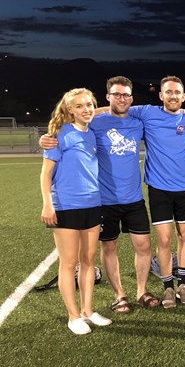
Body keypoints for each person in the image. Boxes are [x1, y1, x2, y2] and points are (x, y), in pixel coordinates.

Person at [39, 76, 158, 313]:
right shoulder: (95, 122)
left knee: (144, 246)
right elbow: (74, 119)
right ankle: (119, 295)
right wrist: (47, 137)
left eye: (126, 95)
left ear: (131, 98)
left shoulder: (138, 122)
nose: (121, 99)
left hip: (134, 198)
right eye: (116, 94)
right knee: (108, 247)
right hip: (104, 200)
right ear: (108, 96)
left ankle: (141, 291)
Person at [125, 76, 185, 308]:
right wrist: (75, 113)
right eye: (168, 92)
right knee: (164, 239)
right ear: (161, 95)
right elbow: (115, 109)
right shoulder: (147, 112)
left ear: (184, 96)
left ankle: (183, 284)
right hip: (159, 189)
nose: (173, 96)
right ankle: (168, 286)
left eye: (177, 92)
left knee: (184, 236)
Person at [40, 88, 112, 335]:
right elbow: (45, 174)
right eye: (79, 106)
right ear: (69, 110)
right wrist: (47, 204)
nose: (86, 109)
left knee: (88, 260)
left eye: (89, 105)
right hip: (66, 206)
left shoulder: (91, 133)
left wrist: (105, 107)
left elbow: (106, 110)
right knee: (69, 263)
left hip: (92, 203)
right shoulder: (59, 134)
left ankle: (87, 311)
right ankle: (73, 316)